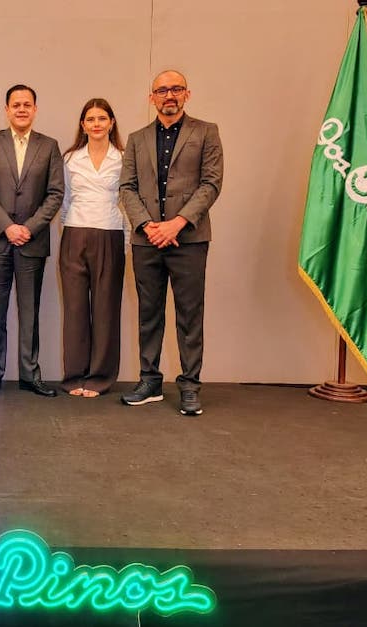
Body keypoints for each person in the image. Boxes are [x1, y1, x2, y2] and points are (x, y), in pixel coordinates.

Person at [118, 70, 224, 416]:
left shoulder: (206, 132)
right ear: (152, 98)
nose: (169, 95)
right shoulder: (136, 139)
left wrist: (177, 223)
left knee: (190, 314)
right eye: (162, 90)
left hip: (189, 239)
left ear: (187, 94)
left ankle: (190, 386)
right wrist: (147, 225)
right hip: (146, 240)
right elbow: (127, 187)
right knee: (148, 313)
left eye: (176, 89)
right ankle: (149, 381)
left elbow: (211, 183)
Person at [0, 84, 64, 397]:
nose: (22, 109)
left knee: (30, 313)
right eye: (16, 104)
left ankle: (30, 374)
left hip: (32, 241)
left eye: (27, 104)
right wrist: (7, 227)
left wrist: (29, 228)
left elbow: (55, 193)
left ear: (35, 109)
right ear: (7, 109)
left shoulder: (49, 146)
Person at [59, 98, 126, 398]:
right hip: (75, 233)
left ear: (111, 123)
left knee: (105, 310)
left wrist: (124, 245)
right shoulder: (70, 158)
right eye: (90, 119)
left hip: (110, 234)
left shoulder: (123, 158)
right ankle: (74, 376)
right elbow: (65, 201)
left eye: (102, 118)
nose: (96, 124)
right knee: (74, 310)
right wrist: (70, 233)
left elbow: (127, 203)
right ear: (82, 125)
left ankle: (100, 378)